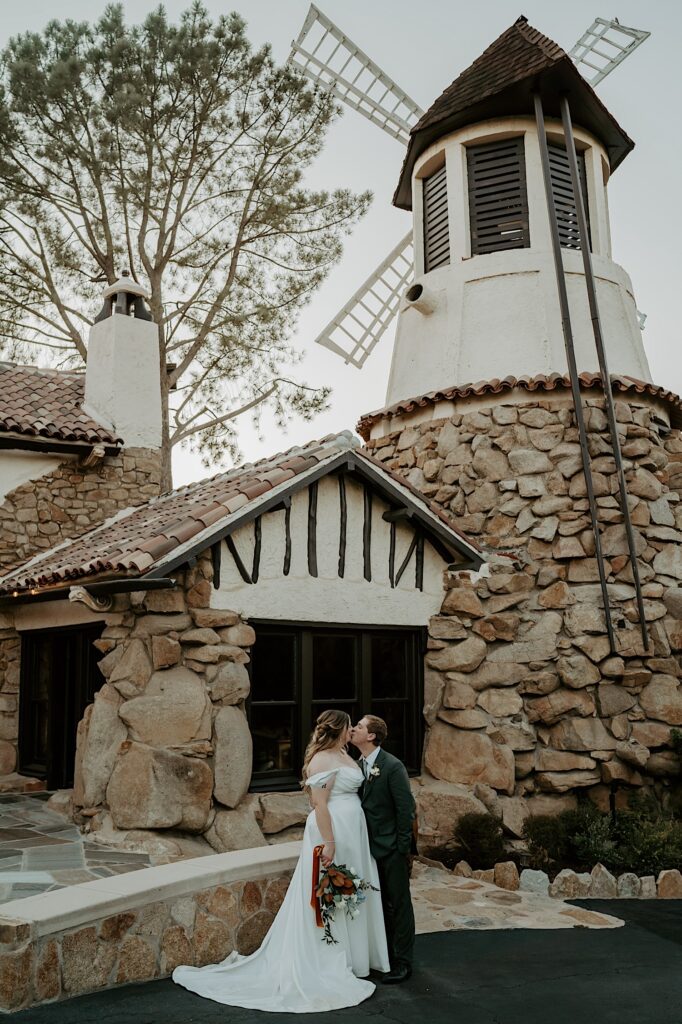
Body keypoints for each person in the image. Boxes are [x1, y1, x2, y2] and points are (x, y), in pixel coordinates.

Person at [172, 710, 390, 1013]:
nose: (352, 729)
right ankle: (327, 957)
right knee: (328, 895)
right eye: (349, 725)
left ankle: (354, 958)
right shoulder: (322, 759)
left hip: (353, 834)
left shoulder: (343, 753)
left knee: (347, 894)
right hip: (333, 832)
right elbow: (320, 804)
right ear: (339, 730)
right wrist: (330, 843)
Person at [352, 714, 416, 984]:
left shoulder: (392, 766)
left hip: (391, 848)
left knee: (399, 904)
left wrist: (402, 848)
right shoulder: (356, 766)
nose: (354, 729)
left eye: (359, 726)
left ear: (371, 736)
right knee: (379, 905)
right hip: (367, 849)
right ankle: (385, 955)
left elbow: (406, 809)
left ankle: (403, 962)